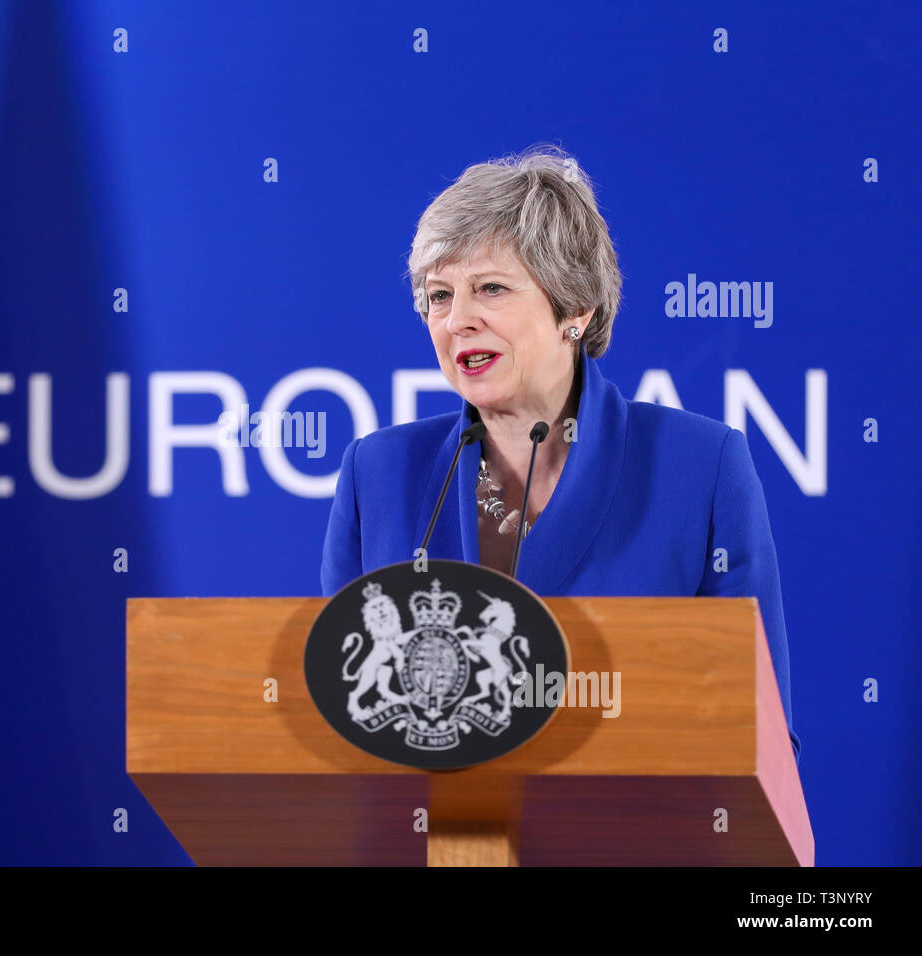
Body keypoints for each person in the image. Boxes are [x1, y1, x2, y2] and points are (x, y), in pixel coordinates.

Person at [320, 145, 799, 760]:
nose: (457, 320)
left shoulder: (699, 467)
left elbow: (758, 729)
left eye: (489, 288)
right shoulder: (379, 475)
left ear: (574, 309)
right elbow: (339, 716)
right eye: (438, 295)